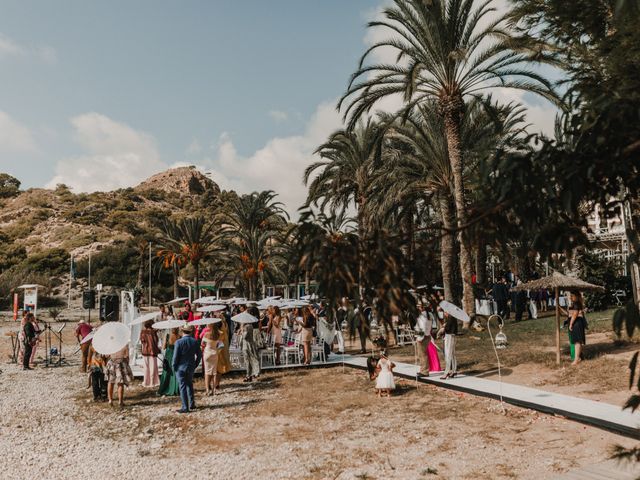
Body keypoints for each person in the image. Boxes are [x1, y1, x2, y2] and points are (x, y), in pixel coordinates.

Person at [172, 324, 201, 413]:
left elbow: (175, 357)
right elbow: (199, 355)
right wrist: (195, 364)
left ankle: (185, 407)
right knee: (189, 385)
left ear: (182, 331)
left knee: (183, 387)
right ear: (191, 331)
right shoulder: (194, 341)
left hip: (180, 367)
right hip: (190, 366)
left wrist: (174, 366)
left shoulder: (178, 342)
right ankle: (192, 404)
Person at [567, 291, 587, 365]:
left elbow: (575, 314)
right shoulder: (577, 303)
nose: (570, 297)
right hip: (577, 323)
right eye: (570, 296)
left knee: (577, 341)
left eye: (572, 296)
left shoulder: (576, 303)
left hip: (576, 324)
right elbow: (571, 314)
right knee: (577, 341)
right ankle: (579, 357)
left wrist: (571, 324)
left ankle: (576, 359)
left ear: (576, 296)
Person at [201, 323, 223, 395]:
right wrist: (218, 351)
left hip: (207, 353)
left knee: (207, 372)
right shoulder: (218, 334)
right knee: (214, 372)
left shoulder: (206, 334)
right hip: (214, 353)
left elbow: (202, 344)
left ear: (210, 326)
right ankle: (214, 389)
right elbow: (221, 345)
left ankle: (207, 389)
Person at [158, 328, 180, 396]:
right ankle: (176, 389)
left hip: (169, 355)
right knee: (175, 371)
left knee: (167, 371)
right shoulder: (179, 337)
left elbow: (164, 347)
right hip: (177, 355)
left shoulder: (167, 336)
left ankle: (166, 388)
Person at [140, 320, 161, 388]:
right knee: (153, 367)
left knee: (146, 367)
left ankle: (146, 382)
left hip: (145, 351)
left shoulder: (142, 332)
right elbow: (156, 341)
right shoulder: (153, 332)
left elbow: (142, 341)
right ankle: (152, 382)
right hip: (153, 351)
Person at [240, 316, 260, 382]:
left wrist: (242, 330)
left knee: (248, 360)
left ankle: (249, 375)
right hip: (250, 344)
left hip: (247, 345)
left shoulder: (246, 327)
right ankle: (251, 374)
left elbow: (244, 336)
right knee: (251, 359)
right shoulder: (250, 325)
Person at [440, 311, 458, 380]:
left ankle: (446, 372)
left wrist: (444, 327)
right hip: (452, 336)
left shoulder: (450, 318)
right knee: (453, 354)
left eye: (445, 312)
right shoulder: (453, 318)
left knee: (448, 354)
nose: (444, 313)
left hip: (449, 336)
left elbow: (447, 329)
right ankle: (454, 370)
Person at [415, 304, 431, 377]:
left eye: (419, 307)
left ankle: (424, 371)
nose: (418, 308)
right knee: (423, 354)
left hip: (423, 337)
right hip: (427, 335)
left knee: (422, 355)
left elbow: (423, 327)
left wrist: (420, 338)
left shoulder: (423, 316)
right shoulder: (429, 314)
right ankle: (423, 370)